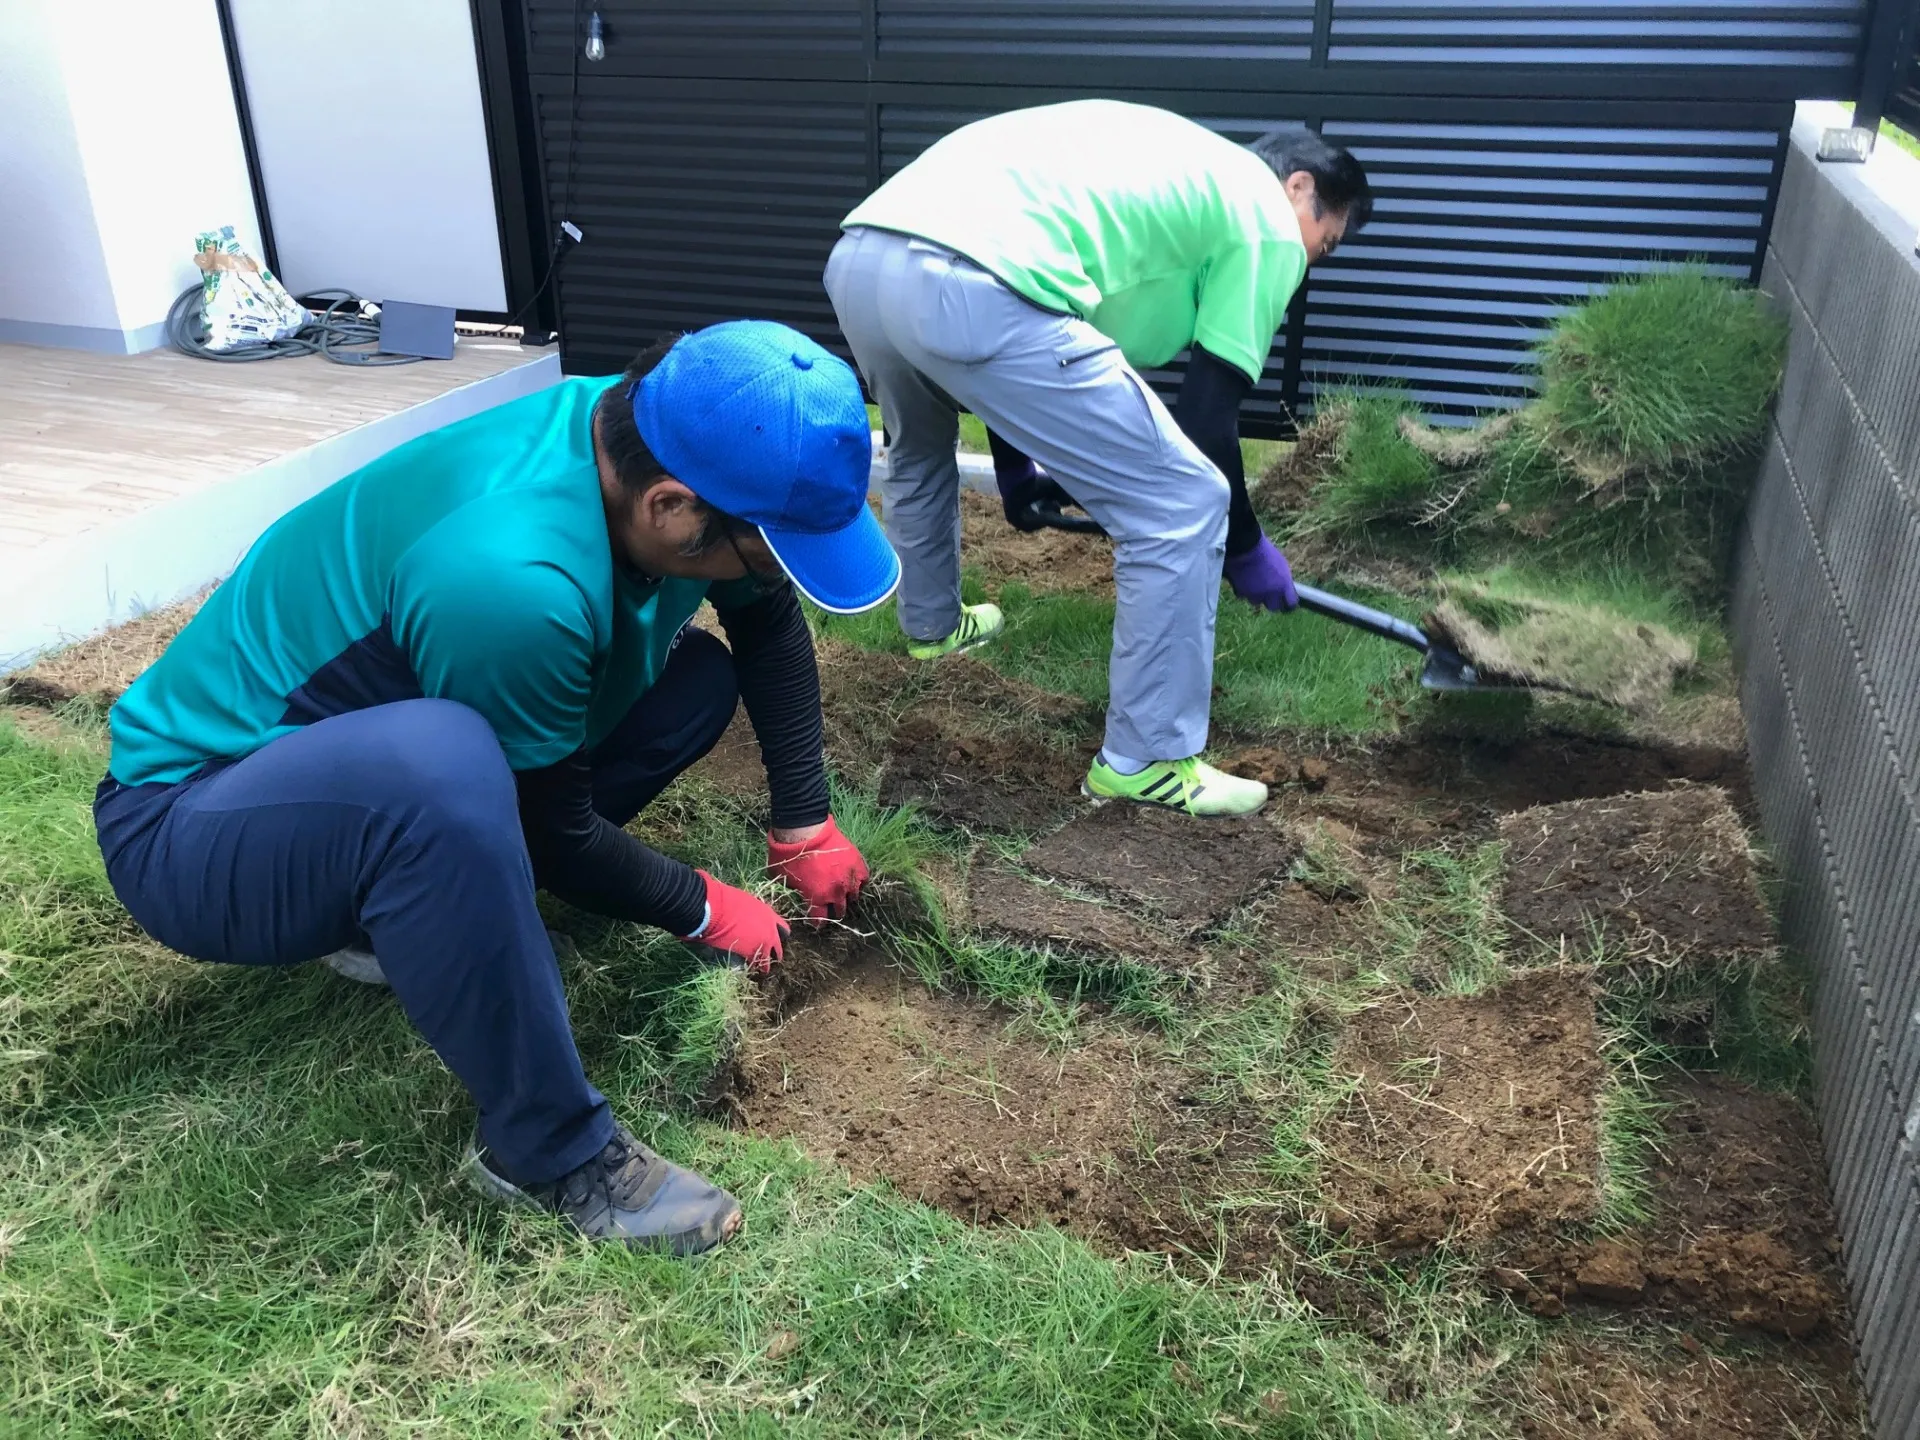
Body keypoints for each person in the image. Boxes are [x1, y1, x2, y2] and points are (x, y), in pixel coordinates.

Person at [92, 319, 900, 1254]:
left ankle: (422, 916)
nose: (768, 573)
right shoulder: (513, 578)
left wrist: (803, 817)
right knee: (440, 765)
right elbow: (555, 832)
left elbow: (762, 625)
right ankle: (553, 1153)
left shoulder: (653, 432)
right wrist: (700, 906)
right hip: (197, 825)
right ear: (672, 510)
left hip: (356, 777)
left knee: (694, 686)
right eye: (763, 551)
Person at [826, 101, 1371, 817]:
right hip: (975, 280)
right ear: (1299, 187)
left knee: (921, 448)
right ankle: (1146, 758)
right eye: (1324, 245)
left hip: (868, 255)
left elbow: (1049, 318)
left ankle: (932, 630)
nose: (1309, 263)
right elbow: (1207, 416)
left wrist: (1017, 468)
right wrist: (1245, 546)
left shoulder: (1172, 168)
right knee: (1183, 502)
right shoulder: (1263, 220)